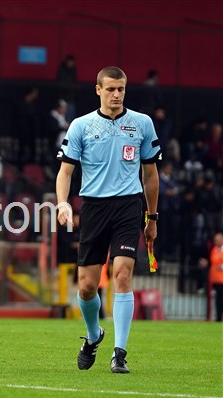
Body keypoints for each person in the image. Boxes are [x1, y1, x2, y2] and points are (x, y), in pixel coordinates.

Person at [56, 66, 161, 374]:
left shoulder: (142, 123)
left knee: (122, 275)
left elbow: (150, 175)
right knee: (87, 286)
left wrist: (152, 217)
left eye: (121, 89)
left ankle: (120, 352)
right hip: (93, 208)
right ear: (98, 90)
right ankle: (93, 336)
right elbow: (65, 172)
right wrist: (62, 203)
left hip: (129, 206)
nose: (117, 95)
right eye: (111, 89)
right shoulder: (81, 125)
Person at [209, 232, 223, 322]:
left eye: (218, 240)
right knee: (218, 300)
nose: (216, 242)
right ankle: (218, 317)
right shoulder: (214, 250)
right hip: (216, 279)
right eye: (215, 240)